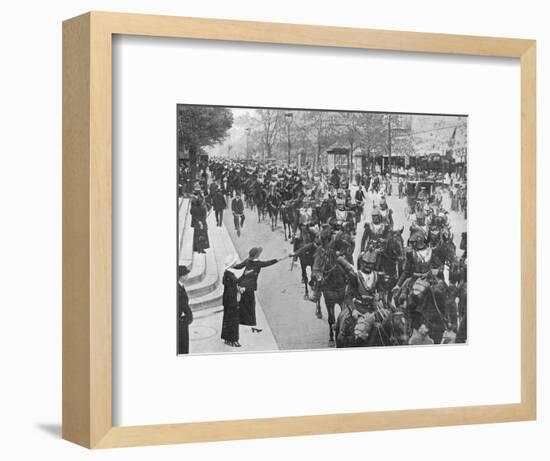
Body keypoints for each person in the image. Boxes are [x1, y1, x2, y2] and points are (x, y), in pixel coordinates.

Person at [234, 247, 287, 333]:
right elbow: (269, 263)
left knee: (243, 304)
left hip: (241, 284)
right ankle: (251, 324)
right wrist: (282, 258)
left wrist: (231, 265)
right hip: (249, 288)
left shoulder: (247, 261)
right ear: (257, 255)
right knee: (251, 305)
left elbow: (239, 267)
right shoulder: (258, 264)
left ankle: (242, 321)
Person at [221, 255, 241, 347]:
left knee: (227, 319)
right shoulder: (231, 275)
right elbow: (235, 285)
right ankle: (234, 339)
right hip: (232, 300)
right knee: (234, 320)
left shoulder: (226, 273)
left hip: (227, 300)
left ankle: (226, 338)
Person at [177, 265, 193, 354]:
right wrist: (186, 318)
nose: (187, 276)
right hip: (181, 322)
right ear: (182, 276)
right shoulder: (178, 288)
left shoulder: (180, 286)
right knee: (182, 347)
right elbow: (182, 305)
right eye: (186, 274)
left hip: (182, 321)